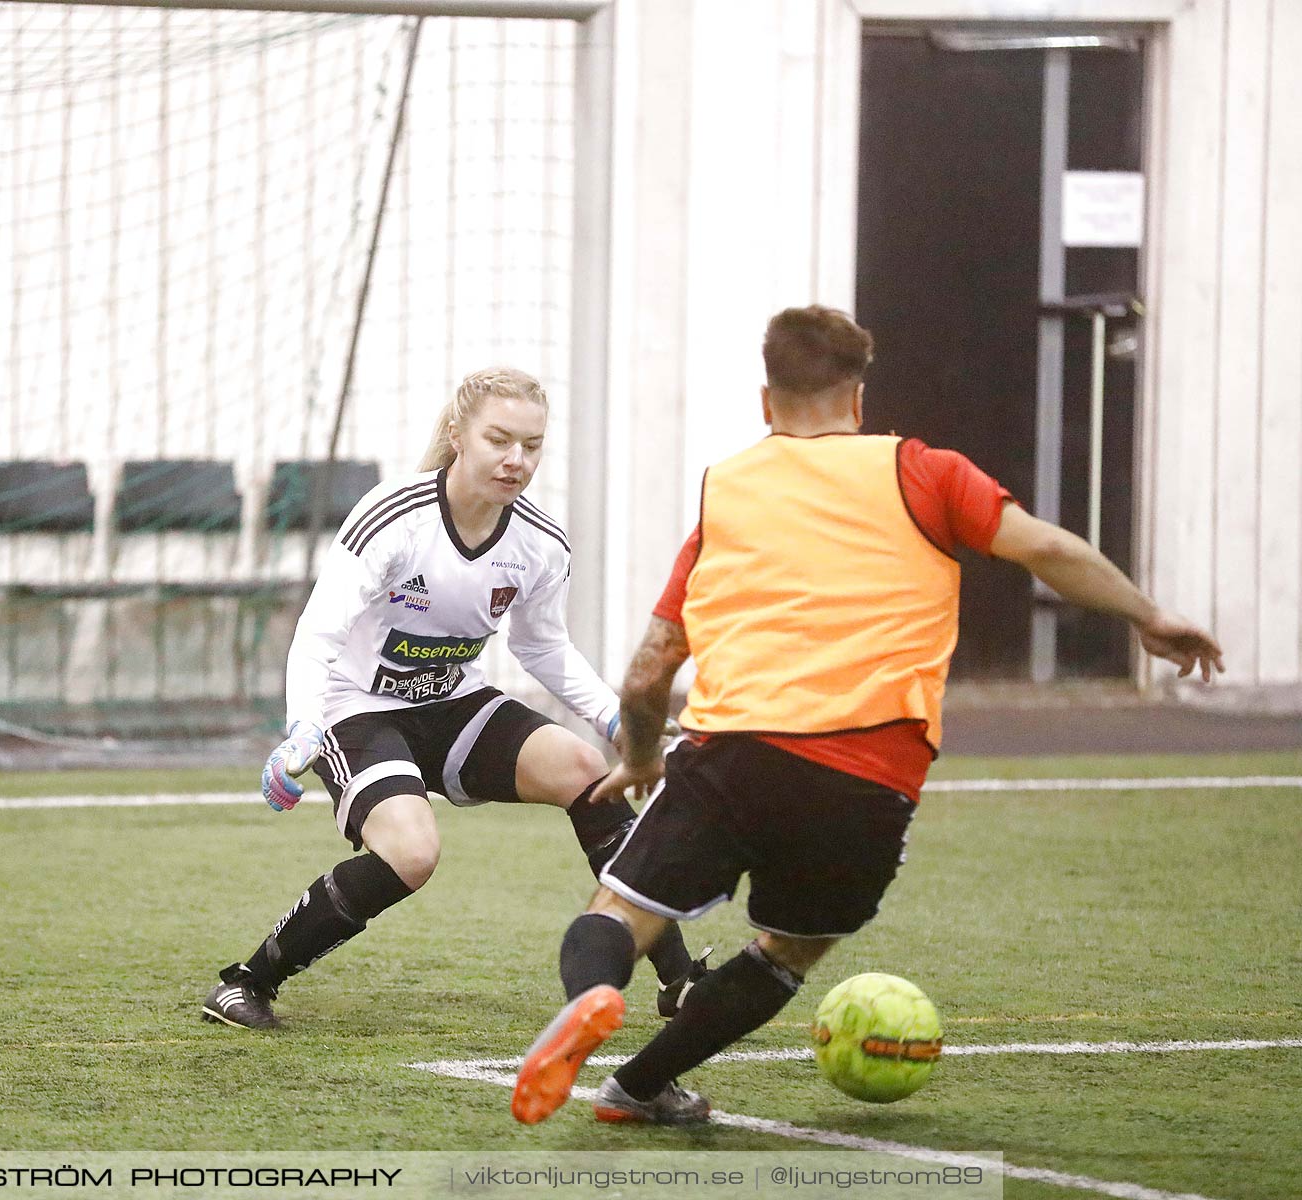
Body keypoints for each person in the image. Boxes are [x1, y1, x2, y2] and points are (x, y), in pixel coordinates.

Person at [510, 305, 1226, 1125]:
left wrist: (639, 759)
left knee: (623, 911)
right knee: (788, 949)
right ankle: (637, 1088)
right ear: (858, 399)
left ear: (764, 401)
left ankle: (591, 997)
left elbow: (645, 677)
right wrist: (1146, 616)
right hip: (866, 777)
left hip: (732, 753)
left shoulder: (728, 491)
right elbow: (1049, 550)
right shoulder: (924, 471)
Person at [203, 367, 707, 1030]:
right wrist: (301, 730)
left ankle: (682, 983)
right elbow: (318, 632)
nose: (515, 459)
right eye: (499, 439)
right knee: (412, 854)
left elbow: (543, 647)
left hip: (453, 702)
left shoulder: (539, 542)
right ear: (457, 435)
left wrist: (615, 721)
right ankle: (248, 982)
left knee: (590, 775)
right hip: (354, 707)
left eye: (531, 445)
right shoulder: (395, 518)